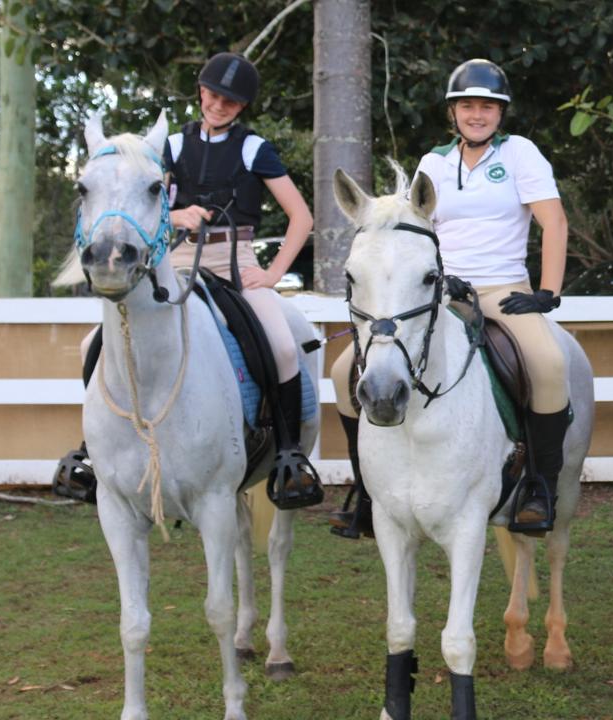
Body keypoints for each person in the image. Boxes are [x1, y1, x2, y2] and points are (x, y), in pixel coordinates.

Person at [54, 52, 323, 507]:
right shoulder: (170, 147)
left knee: (279, 344)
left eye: (231, 102)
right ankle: (96, 452)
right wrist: (177, 214)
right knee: (90, 346)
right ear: (201, 92)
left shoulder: (254, 148)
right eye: (214, 95)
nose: (220, 105)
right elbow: (138, 195)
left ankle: (289, 455)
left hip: (232, 263)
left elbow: (301, 215)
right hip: (172, 259)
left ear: (242, 108)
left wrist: (273, 272)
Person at [329, 58, 572, 536]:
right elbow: (415, 232)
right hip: (442, 294)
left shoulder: (520, 154)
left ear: (500, 113)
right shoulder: (433, 163)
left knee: (550, 365)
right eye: (467, 107)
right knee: (343, 372)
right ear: (453, 113)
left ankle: (540, 488)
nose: (476, 114)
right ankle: (365, 490)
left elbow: (555, 222)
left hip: (504, 290)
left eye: (486, 107)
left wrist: (547, 292)